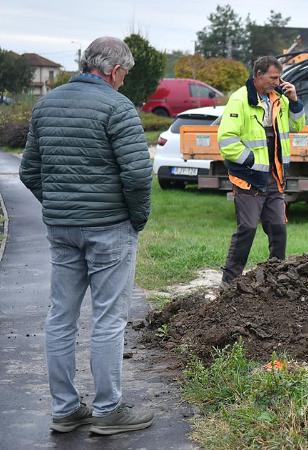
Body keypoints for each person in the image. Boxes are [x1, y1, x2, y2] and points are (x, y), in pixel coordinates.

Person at [19, 37, 154, 434]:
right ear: (114, 71)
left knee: (61, 316)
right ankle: (108, 410)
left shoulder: (48, 104)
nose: (124, 83)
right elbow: (135, 175)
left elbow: (29, 171)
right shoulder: (117, 107)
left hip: (62, 229)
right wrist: (137, 219)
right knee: (108, 319)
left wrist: (60, 204)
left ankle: (65, 409)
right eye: (124, 75)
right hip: (109, 228)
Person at [219, 56, 306, 285]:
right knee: (246, 229)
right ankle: (229, 283)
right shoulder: (239, 100)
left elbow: (298, 126)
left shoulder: (281, 99)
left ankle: (278, 279)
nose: (277, 82)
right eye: (273, 77)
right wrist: (251, 163)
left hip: (275, 179)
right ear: (258, 75)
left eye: (279, 77)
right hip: (248, 179)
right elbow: (227, 141)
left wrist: (295, 101)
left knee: (278, 228)